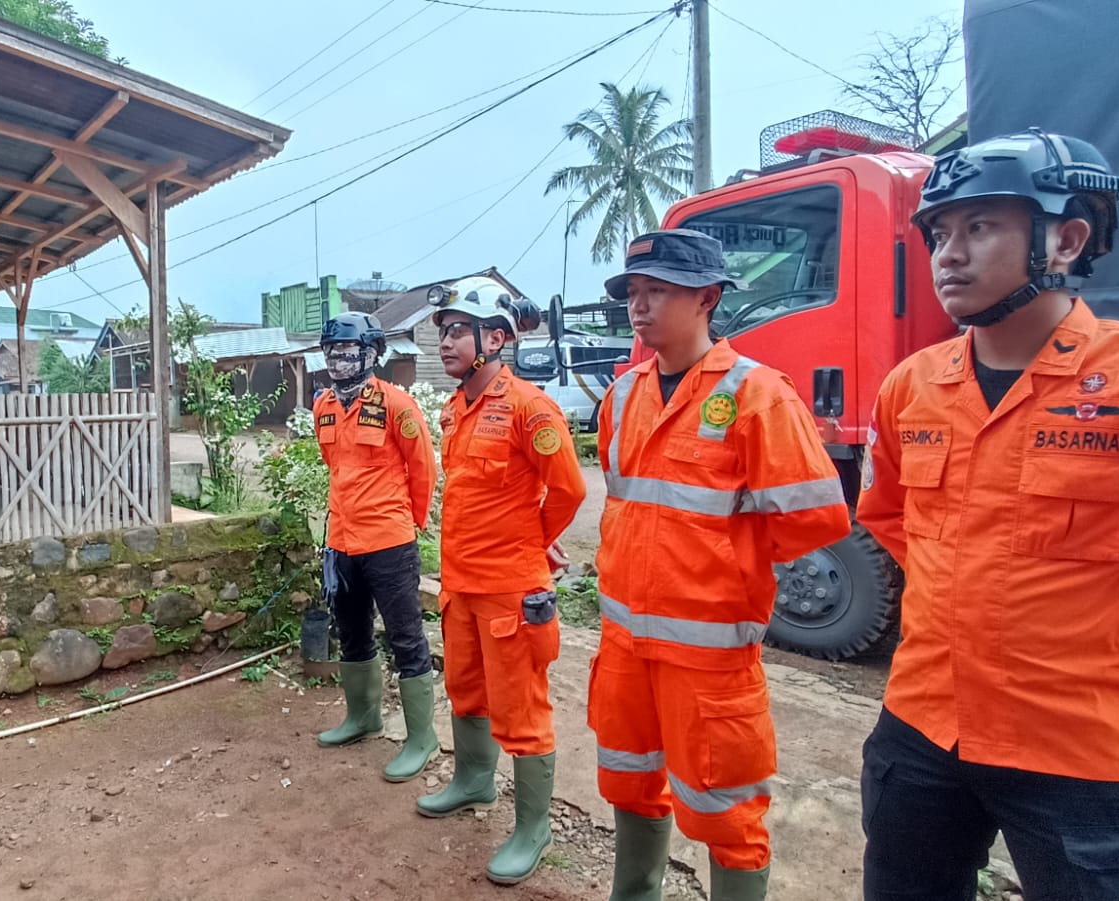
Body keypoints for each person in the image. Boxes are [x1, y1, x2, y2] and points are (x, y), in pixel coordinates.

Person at [856, 131, 1119, 901]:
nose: (949, 254)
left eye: (980, 227)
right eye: (940, 233)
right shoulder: (911, 387)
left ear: (1067, 238)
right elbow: (892, 514)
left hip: (1076, 746)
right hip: (922, 724)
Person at [591, 230, 850, 901]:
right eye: (634, 293)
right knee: (629, 780)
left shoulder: (757, 395)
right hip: (625, 646)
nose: (640, 307)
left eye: (659, 291)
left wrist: (717, 567)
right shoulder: (622, 397)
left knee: (726, 811)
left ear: (707, 297)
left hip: (707, 658)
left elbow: (812, 518)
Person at [415, 276, 586, 885]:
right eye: (443, 332)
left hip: (513, 590)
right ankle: (472, 781)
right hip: (461, 583)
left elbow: (569, 489)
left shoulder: (529, 408)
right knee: (465, 689)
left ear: (496, 337)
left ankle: (533, 828)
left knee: (522, 709)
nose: (446, 343)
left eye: (458, 330)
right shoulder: (456, 407)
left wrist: (532, 542)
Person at [312, 311, 441, 783]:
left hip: (389, 541)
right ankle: (362, 717)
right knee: (351, 632)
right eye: (331, 352)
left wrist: (412, 524)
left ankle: (421, 738)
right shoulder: (323, 406)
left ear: (371, 354)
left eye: (347, 351)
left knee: (406, 637)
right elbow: (335, 465)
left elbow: (422, 470)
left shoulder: (398, 405)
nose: (338, 360)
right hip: (342, 543)